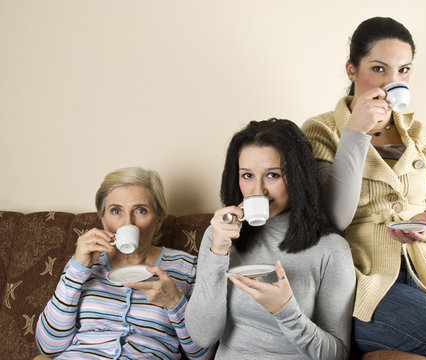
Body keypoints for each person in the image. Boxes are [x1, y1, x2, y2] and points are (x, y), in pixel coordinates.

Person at [301, 17, 426, 359]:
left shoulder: (424, 137)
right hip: (365, 284)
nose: (393, 81)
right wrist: (355, 132)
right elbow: (335, 218)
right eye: (379, 69)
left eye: (404, 70)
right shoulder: (322, 132)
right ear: (352, 70)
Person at [185, 119, 356, 359]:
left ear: (297, 178)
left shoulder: (331, 249)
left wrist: (286, 311)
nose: (258, 190)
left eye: (273, 175)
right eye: (247, 176)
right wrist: (218, 253)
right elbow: (202, 336)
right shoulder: (220, 235)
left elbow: (338, 354)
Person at [35, 167, 211, 360]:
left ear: (158, 220)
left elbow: (201, 354)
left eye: (141, 210)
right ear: (103, 219)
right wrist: (77, 269)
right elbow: (48, 347)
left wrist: (174, 302)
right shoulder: (85, 263)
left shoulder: (186, 266)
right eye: (116, 211)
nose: (128, 223)